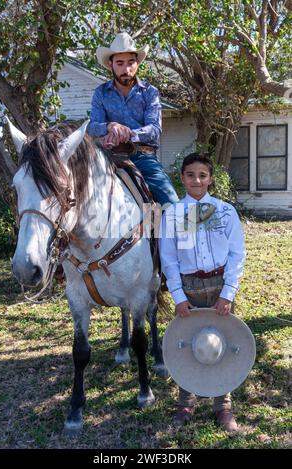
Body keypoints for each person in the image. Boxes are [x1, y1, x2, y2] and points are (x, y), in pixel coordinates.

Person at [159, 152, 246, 432]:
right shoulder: (173, 213)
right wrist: (178, 296)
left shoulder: (224, 211)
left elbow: (236, 253)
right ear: (182, 178)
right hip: (190, 287)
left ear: (210, 179)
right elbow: (169, 257)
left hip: (220, 284)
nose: (196, 180)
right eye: (190, 175)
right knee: (188, 344)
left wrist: (228, 292)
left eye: (202, 175)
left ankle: (223, 406)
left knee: (221, 344)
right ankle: (185, 402)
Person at [87, 32, 178, 207]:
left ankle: (177, 232)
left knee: (173, 205)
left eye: (131, 63)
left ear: (137, 64)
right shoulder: (101, 93)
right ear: (110, 64)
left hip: (142, 156)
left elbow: (154, 129)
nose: (126, 69)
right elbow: (92, 127)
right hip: (107, 156)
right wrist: (110, 126)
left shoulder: (150, 92)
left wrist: (129, 134)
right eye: (120, 63)